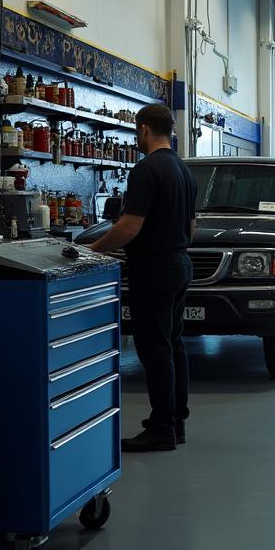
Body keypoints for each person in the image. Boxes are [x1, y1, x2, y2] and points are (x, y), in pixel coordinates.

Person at [89, 104, 197, 453]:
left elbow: (129, 227)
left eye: (137, 131)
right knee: (174, 343)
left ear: (145, 130)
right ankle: (176, 421)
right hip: (180, 262)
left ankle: (161, 428)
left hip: (154, 268)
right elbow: (191, 228)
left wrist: (96, 248)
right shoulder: (184, 171)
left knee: (154, 347)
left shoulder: (146, 170)